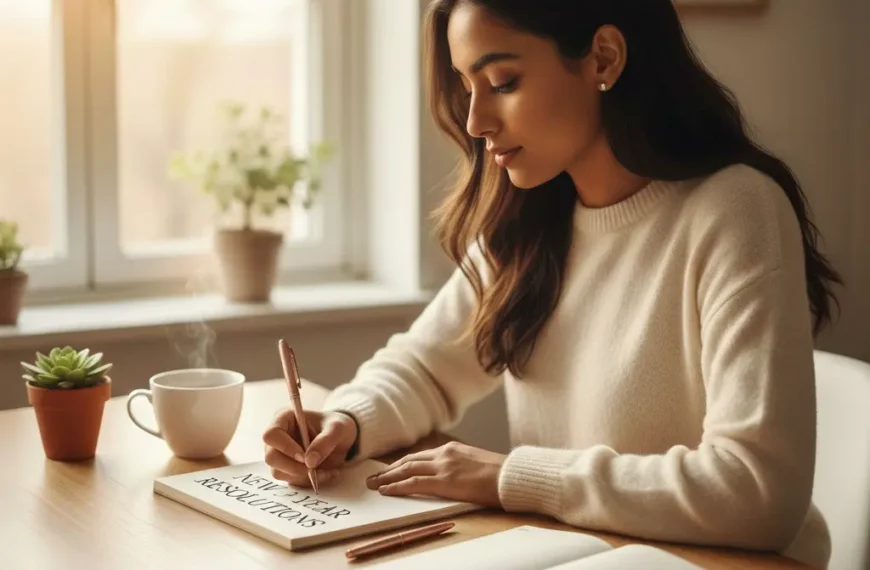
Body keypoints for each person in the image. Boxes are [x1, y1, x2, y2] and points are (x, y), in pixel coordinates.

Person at [262, 1, 843, 567]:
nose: (475, 121)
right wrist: (348, 421)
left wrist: (509, 477)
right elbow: (425, 367)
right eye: (468, 86)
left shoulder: (735, 211)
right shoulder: (533, 222)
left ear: (604, 59)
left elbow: (756, 492)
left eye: (503, 81)